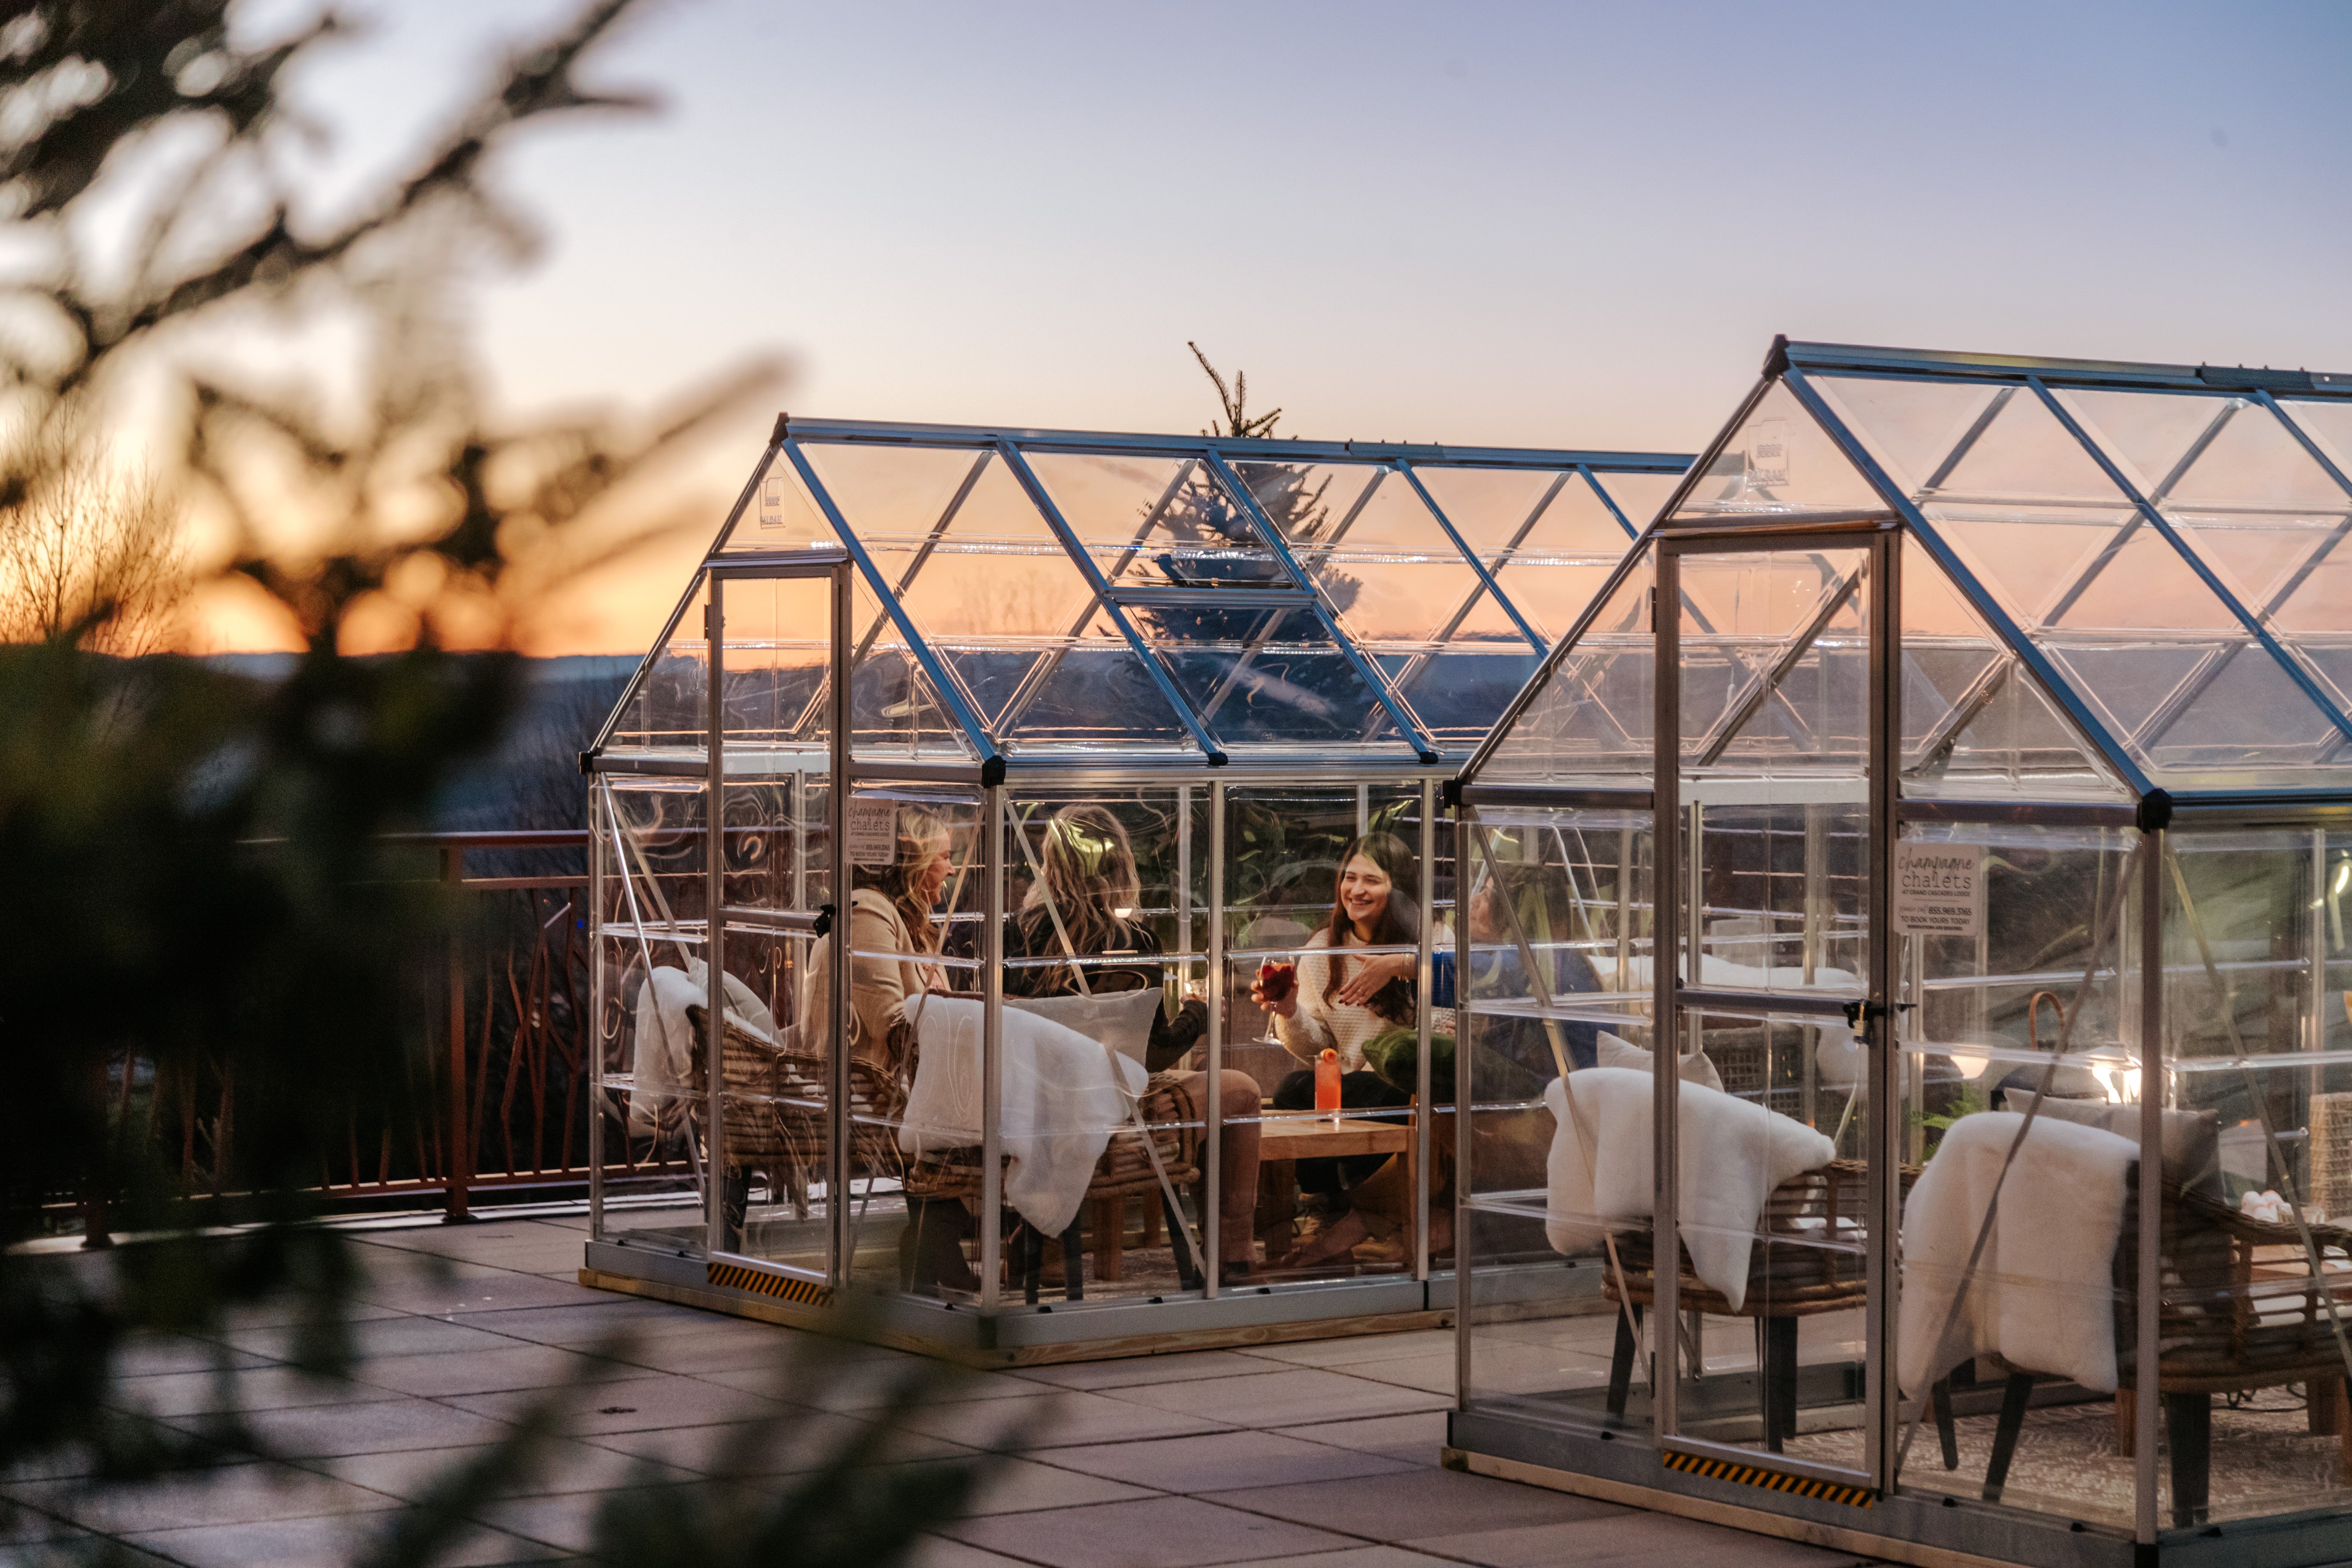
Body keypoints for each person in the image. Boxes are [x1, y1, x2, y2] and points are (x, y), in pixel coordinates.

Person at [990, 804, 1265, 1281]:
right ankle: (1233, 1249)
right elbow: (1153, 1051)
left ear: (1052, 864)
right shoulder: (1131, 940)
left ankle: (1044, 1245)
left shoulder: (1013, 934)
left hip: (1025, 1102)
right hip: (1109, 1102)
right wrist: (1199, 1013)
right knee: (1241, 1089)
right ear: (1120, 866)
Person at [1253, 830, 1451, 1263]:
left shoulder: (1434, 940)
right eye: (1350, 878)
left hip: (1407, 1085)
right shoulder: (1324, 948)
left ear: (1398, 890)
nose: (1356, 890)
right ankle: (1326, 1205)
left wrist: (1402, 970)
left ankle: (1378, 1212)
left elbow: (1444, 1030)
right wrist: (1288, 1011)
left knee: (1391, 1094)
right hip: (1348, 1082)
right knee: (1291, 1089)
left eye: (1372, 881)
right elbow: (1315, 1048)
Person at [798, 803, 971, 1289]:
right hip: (872, 1090)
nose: (953, 869)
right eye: (944, 856)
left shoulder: (903, 919)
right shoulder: (869, 912)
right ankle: (954, 1235)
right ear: (914, 863)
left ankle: (943, 1237)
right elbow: (892, 1024)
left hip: (910, 1083)